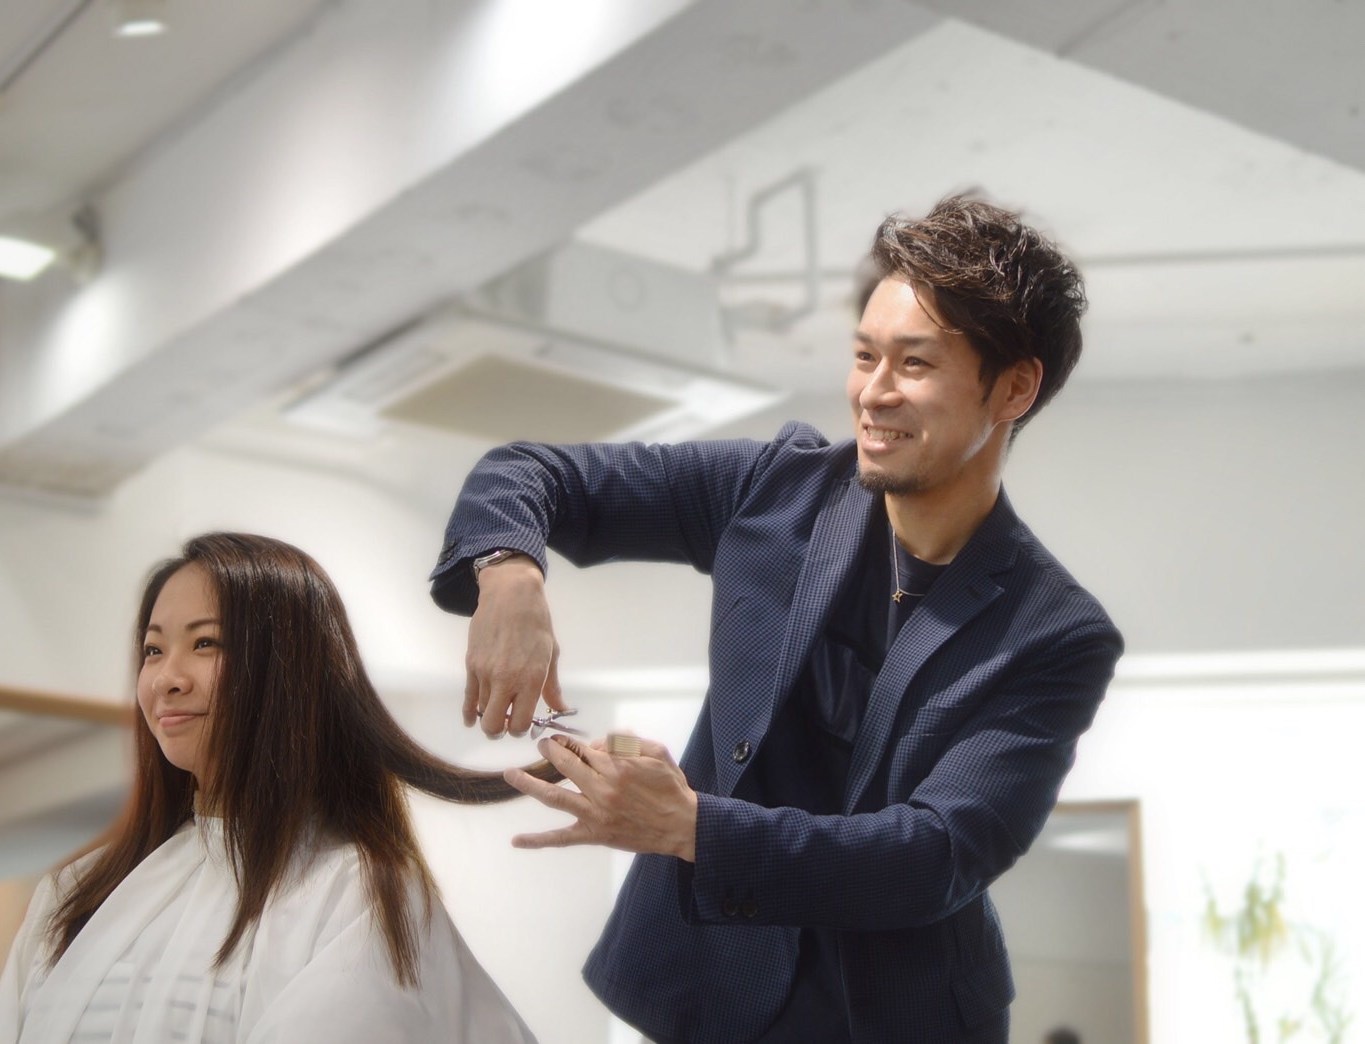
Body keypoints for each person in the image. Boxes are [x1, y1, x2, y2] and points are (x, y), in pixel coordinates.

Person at [428, 195, 1125, 1042]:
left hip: (899, 1016)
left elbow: (934, 854)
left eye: (914, 364)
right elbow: (528, 472)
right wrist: (509, 574)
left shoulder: (1054, 635)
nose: (873, 393)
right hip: (709, 986)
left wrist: (693, 826)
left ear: (1013, 388)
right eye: (864, 356)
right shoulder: (772, 490)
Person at [0, 532, 548, 1043]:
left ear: (288, 671)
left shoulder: (355, 892)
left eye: (205, 644)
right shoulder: (78, 892)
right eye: (153, 650)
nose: (166, 679)